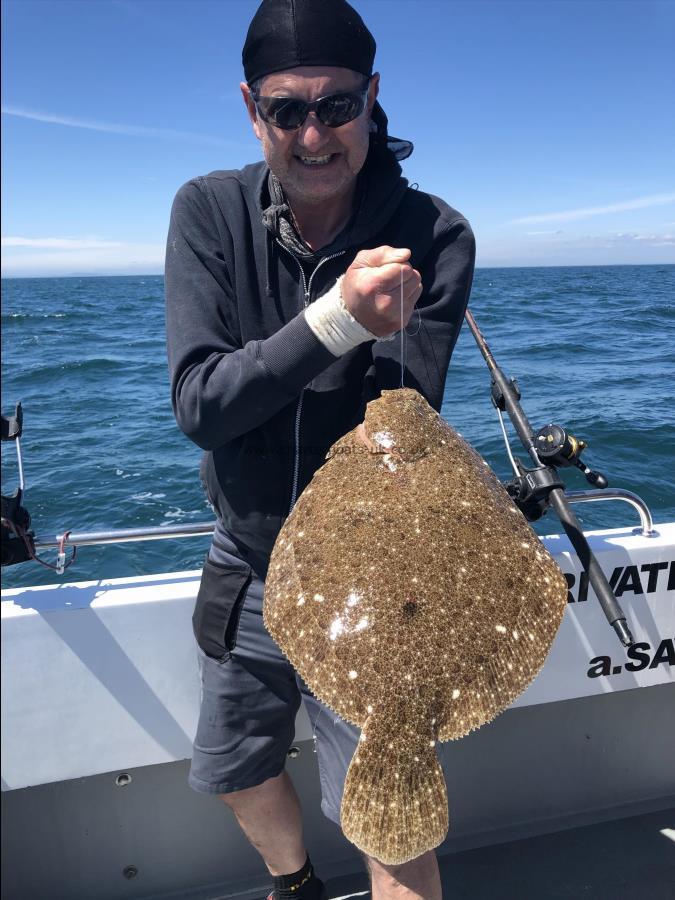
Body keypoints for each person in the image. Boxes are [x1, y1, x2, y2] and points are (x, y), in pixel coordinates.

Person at [165, 1, 475, 897]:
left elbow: (403, 421)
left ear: (372, 99)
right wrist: (338, 317)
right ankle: (294, 882)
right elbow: (200, 405)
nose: (312, 133)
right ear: (249, 108)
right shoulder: (208, 213)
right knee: (232, 767)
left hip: (383, 584)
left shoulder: (433, 234)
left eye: (335, 106)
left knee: (391, 809)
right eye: (284, 109)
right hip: (252, 558)